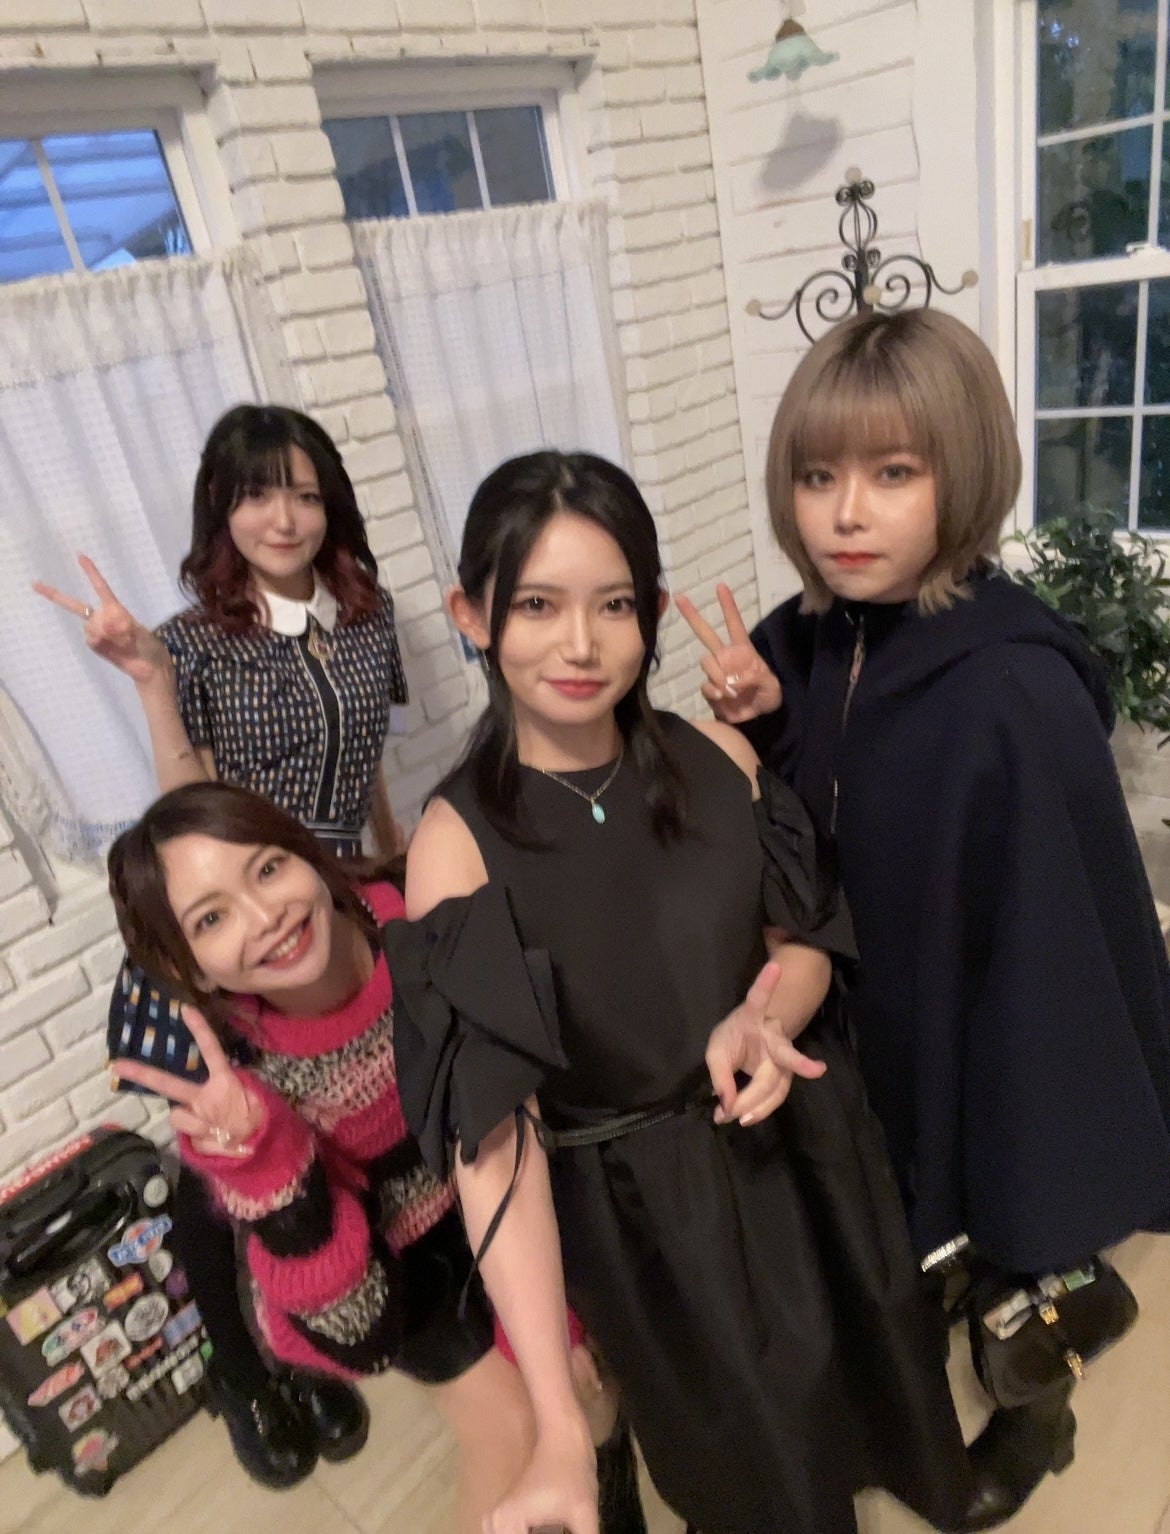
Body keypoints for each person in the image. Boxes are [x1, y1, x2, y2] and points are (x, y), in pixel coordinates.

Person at [382, 449, 980, 1534]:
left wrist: (765, 1017)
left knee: (866, 1380)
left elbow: (803, 940)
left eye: (614, 604)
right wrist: (557, 1420)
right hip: (648, 1222)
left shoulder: (719, 756)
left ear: (652, 611)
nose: (580, 643)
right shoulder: (455, 847)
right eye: (536, 604)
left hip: (800, 1150)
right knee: (747, 1469)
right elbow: (495, 1146)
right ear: (471, 615)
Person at [678, 306, 1170, 1529]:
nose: (845, 514)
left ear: (964, 473)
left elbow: (1061, 944)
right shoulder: (806, 640)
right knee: (893, 1238)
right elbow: (830, 810)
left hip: (980, 1017)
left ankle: (1040, 1415)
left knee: (1011, 1233)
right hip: (856, 1009)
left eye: (893, 473)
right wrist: (764, 719)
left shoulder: (1014, 687)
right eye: (817, 476)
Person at [33, 404, 409, 1487]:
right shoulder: (191, 639)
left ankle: (312, 1336)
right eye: (255, 494)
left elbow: (372, 760)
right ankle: (243, 1377)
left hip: (322, 904)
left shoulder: (368, 616)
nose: (282, 517)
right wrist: (151, 680)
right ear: (220, 511)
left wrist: (388, 874)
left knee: (320, 1134)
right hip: (224, 929)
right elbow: (185, 818)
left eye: (303, 491)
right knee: (221, 1156)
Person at [103, 782, 541, 1533]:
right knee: (511, 1431)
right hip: (410, 1267)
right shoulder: (246, 1094)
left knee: (593, 1395)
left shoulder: (420, 912)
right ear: (193, 969)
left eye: (268, 868)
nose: (264, 915)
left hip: (515, 1186)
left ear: (307, 852)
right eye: (212, 918)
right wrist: (268, 1166)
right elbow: (361, 1334)